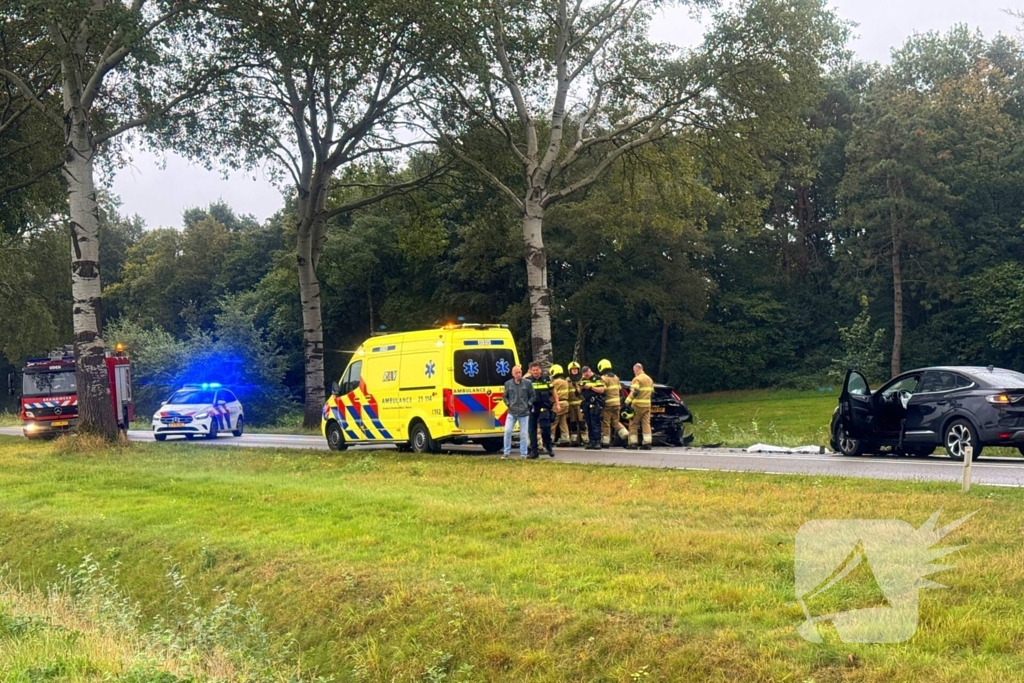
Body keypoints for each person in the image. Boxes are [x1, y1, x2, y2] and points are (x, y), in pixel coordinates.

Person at [527, 361, 560, 458]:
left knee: (545, 427)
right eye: (533, 370)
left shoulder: (546, 379)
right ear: (530, 371)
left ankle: (548, 445)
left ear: (540, 370)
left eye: (537, 370)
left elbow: (553, 391)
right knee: (531, 430)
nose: (536, 372)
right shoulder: (527, 381)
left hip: (544, 406)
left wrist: (557, 403)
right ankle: (534, 451)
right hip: (532, 407)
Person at [501, 365, 534, 458]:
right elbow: (504, 396)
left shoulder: (527, 383)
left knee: (523, 434)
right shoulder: (508, 384)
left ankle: (523, 454)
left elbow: (532, 395)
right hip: (512, 412)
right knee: (507, 431)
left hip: (524, 413)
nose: (518, 374)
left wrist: (528, 404)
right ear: (512, 374)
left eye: (519, 372)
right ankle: (506, 452)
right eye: (516, 373)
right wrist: (508, 404)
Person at [597, 359, 629, 448]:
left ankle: (605, 442)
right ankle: (625, 434)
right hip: (617, 404)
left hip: (608, 404)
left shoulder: (603, 378)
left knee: (606, 422)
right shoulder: (616, 377)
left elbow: (602, 391)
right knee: (615, 422)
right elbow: (619, 390)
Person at [626, 362, 655, 450]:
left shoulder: (637, 379)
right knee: (646, 424)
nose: (634, 372)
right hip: (647, 405)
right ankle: (647, 443)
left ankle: (633, 443)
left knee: (633, 424)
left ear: (637, 369)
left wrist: (627, 402)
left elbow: (635, 392)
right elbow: (652, 393)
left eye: (634, 371)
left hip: (637, 405)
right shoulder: (649, 379)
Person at [579, 366, 605, 449]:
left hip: (595, 402)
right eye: (584, 375)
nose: (586, 377)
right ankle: (591, 441)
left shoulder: (597, 378)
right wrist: (581, 386)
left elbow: (601, 390)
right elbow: (578, 391)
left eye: (587, 375)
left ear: (590, 371)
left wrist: (591, 387)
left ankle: (597, 441)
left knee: (595, 422)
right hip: (586, 402)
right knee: (588, 423)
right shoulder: (583, 379)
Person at [566, 361, 587, 445]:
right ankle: (574, 440)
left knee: (582, 423)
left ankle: (585, 439)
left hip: (580, 404)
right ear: (569, 371)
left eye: (576, 370)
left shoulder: (582, 379)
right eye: (572, 370)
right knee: (573, 423)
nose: (574, 371)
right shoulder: (567, 380)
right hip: (571, 405)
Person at [549, 364, 571, 446]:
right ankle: (565, 439)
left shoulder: (555, 382)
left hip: (558, 404)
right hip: (566, 403)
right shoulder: (565, 381)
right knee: (563, 422)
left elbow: (551, 393)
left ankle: (550, 439)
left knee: (553, 422)